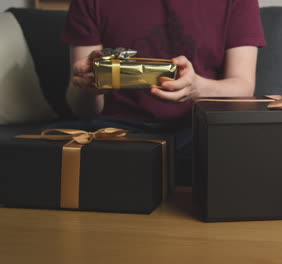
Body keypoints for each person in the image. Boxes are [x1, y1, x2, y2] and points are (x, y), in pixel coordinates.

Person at [60, 0, 266, 185]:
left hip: (196, 125)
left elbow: (242, 86)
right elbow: (82, 109)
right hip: (115, 129)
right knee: (48, 152)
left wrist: (197, 87)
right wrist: (89, 89)